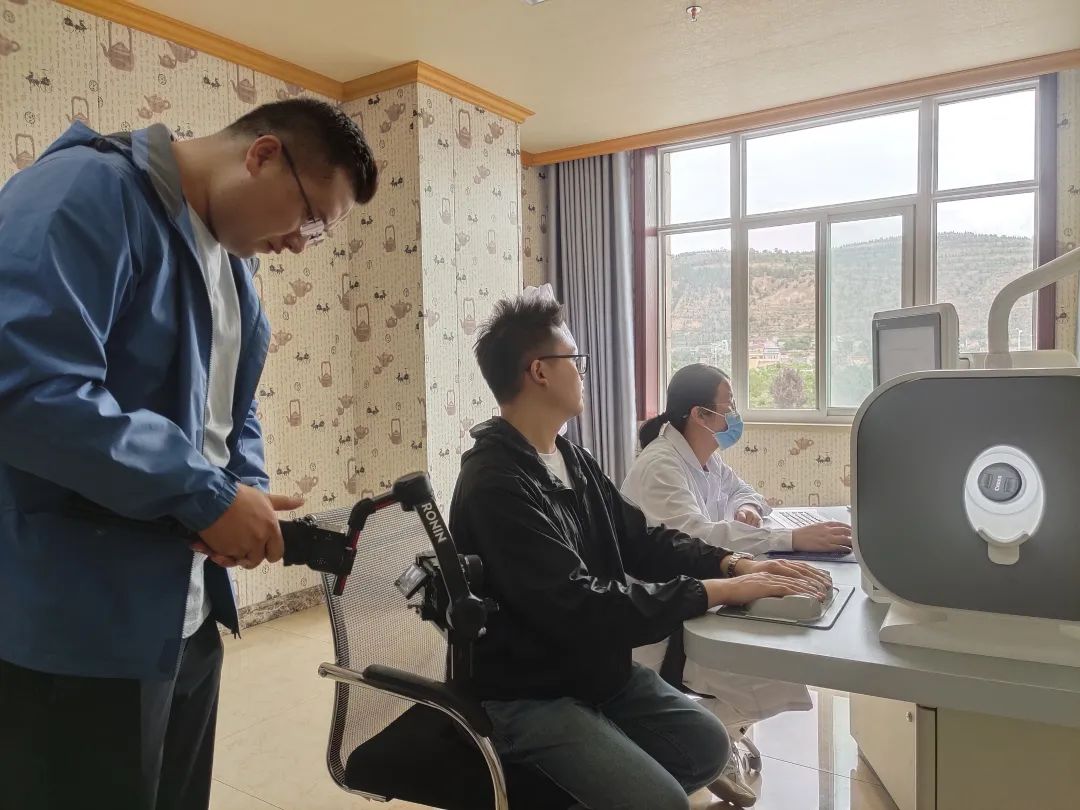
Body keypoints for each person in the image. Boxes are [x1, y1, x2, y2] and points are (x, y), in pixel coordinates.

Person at [0, 99, 377, 810]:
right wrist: (205, 496)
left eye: (317, 234)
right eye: (309, 219)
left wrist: (245, 492)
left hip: (185, 616)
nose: (301, 245)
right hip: (78, 626)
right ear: (263, 154)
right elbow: (25, 388)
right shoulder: (89, 191)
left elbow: (232, 408)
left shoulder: (233, 270)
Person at [448, 291, 831, 810]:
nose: (582, 373)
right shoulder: (496, 484)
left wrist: (730, 562)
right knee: (664, 801)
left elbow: (641, 538)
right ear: (540, 372)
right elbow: (580, 606)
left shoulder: (570, 458)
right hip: (528, 692)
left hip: (590, 672)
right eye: (575, 361)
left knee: (709, 747)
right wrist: (717, 590)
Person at [622, 363, 854, 806]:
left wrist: (746, 509)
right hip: (661, 619)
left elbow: (745, 493)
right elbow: (697, 538)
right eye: (727, 408)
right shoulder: (660, 466)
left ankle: (712, 741)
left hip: (704, 592)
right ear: (700, 415)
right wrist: (789, 538)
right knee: (770, 663)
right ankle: (700, 743)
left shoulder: (704, 458)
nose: (734, 417)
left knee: (784, 638)